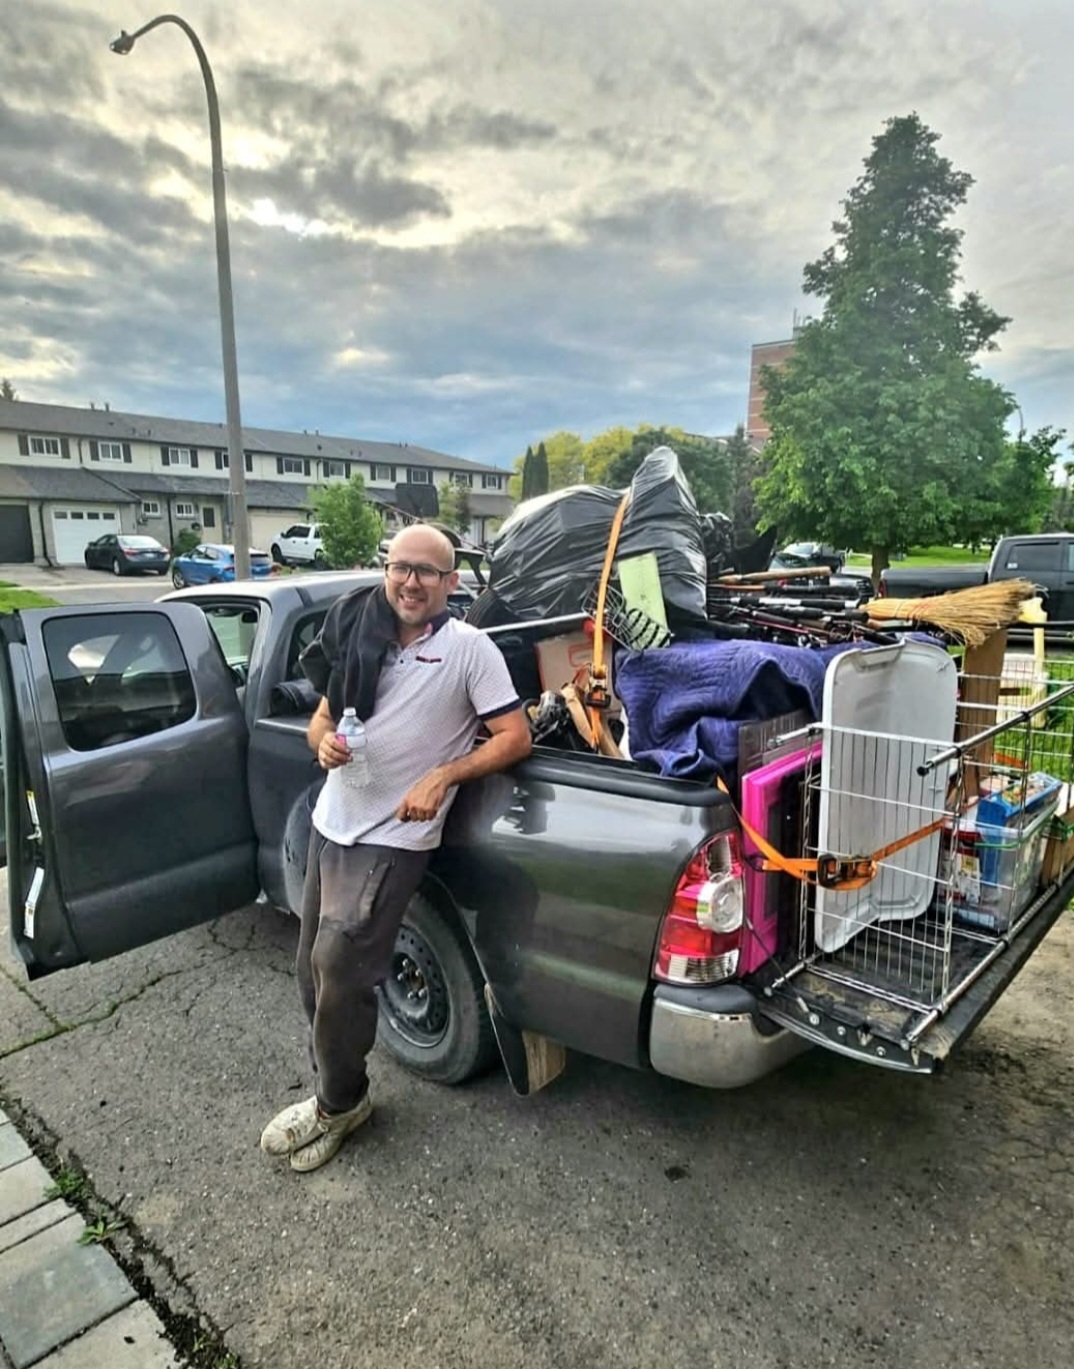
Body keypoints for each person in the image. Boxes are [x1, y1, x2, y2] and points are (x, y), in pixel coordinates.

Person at [260, 524, 532, 1172]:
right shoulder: (363, 634)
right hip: (333, 820)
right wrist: (322, 744)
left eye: (427, 571)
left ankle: (338, 1104)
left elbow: (515, 735)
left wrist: (443, 776)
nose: (411, 582)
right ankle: (338, 1088)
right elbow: (323, 719)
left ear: (451, 582)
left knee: (340, 964)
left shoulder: (469, 650)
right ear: (387, 571)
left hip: (394, 834)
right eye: (401, 567)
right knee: (311, 972)